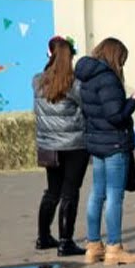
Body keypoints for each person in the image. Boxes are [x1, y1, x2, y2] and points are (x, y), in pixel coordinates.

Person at [76, 37, 135, 266]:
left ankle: (93, 245)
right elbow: (116, 115)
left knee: (97, 193)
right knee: (114, 195)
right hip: (114, 142)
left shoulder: (86, 77)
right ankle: (114, 247)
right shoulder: (108, 79)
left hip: (96, 141)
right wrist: (134, 100)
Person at [32, 35, 89, 256]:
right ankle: (66, 241)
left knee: (52, 191)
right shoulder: (74, 84)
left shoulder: (38, 81)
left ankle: (43, 236)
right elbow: (86, 107)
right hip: (73, 144)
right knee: (70, 192)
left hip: (48, 144)